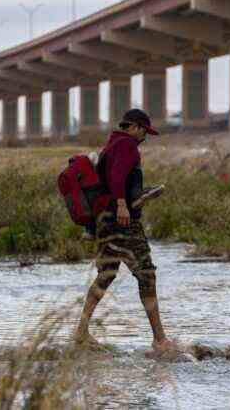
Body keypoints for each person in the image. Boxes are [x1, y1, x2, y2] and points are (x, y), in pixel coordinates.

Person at [74, 109, 174, 353]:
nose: (144, 137)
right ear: (136, 127)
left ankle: (81, 332)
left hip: (104, 220)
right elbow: (118, 177)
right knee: (146, 273)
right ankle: (160, 340)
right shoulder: (127, 146)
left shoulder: (111, 146)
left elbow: (114, 180)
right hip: (122, 221)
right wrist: (122, 204)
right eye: (144, 132)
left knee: (106, 273)